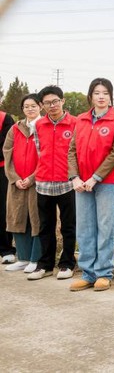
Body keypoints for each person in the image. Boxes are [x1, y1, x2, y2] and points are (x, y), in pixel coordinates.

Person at [68, 78, 114, 292]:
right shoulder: (81, 119)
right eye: (97, 93)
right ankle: (88, 273)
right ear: (90, 96)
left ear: (111, 96)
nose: (101, 96)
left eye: (105, 93)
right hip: (82, 183)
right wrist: (74, 177)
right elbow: (72, 150)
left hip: (106, 182)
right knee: (85, 228)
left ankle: (103, 273)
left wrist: (96, 177)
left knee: (105, 227)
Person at [29, 85, 78, 281]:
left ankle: (67, 263)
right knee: (45, 226)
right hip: (44, 183)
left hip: (67, 183)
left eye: (55, 101)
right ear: (42, 105)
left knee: (68, 226)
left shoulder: (75, 123)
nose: (52, 105)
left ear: (62, 101)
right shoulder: (39, 125)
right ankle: (45, 265)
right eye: (47, 103)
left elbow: (76, 153)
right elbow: (39, 150)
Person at [3, 94, 43, 272]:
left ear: (40, 106)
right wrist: (14, 178)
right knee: (17, 217)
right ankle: (23, 257)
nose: (30, 109)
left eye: (33, 105)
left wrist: (32, 178)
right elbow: (7, 153)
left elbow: (47, 155)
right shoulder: (15, 128)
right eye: (26, 106)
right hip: (17, 181)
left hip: (38, 181)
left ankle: (36, 258)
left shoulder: (44, 126)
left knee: (36, 218)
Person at [0, 107, 16, 264]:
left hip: (1, 169)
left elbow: (7, 146)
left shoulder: (5, 118)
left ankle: (5, 249)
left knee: (3, 209)